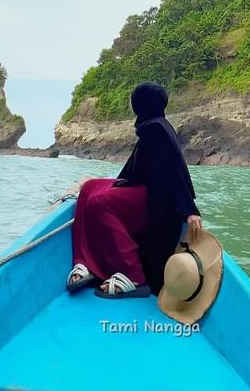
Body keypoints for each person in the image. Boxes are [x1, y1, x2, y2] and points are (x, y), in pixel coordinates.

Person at [67, 81, 202, 298]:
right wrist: (99, 181)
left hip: (156, 202)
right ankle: (84, 263)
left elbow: (176, 170)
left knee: (99, 204)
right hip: (143, 191)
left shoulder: (157, 129)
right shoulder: (151, 126)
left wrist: (190, 210)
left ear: (141, 104)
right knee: (91, 188)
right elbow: (133, 173)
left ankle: (133, 275)